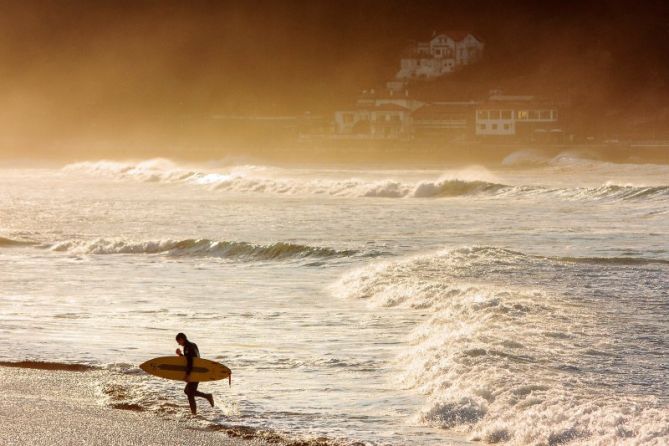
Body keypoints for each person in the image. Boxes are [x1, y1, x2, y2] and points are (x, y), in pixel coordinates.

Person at [175, 332, 214, 414]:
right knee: (188, 391)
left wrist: (187, 375)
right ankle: (207, 396)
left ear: (181, 339)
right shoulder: (193, 344)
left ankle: (194, 414)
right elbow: (192, 359)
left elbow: (190, 362)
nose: (179, 344)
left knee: (189, 393)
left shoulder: (187, 347)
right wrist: (180, 355)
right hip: (197, 371)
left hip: (193, 372)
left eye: (178, 342)